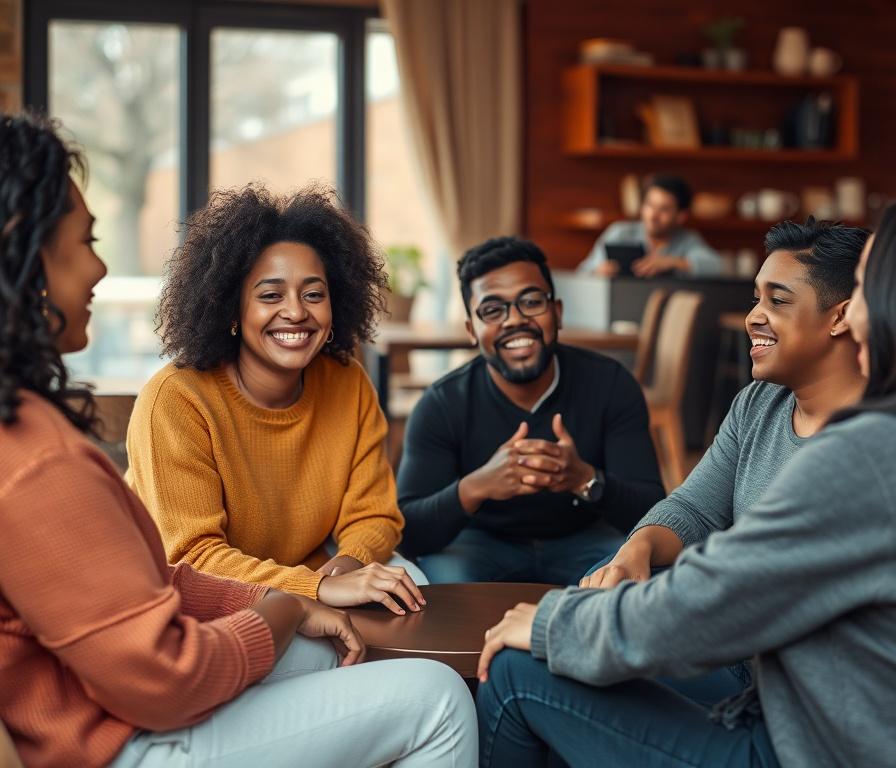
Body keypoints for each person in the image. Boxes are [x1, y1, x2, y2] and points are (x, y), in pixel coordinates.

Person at [475, 182, 896, 767]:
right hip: (868, 721)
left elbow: (705, 607)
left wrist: (552, 624)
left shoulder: (874, 459)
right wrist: (635, 552)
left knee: (519, 669)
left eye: (870, 284)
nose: (862, 306)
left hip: (817, 744)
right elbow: (702, 526)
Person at [0, 113, 476, 768]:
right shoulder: (44, 458)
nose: (102, 265)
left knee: (381, 617)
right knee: (436, 697)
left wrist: (312, 586)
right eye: (86, 240)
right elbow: (170, 653)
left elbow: (154, 582)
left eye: (314, 293)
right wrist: (286, 607)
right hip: (118, 736)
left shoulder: (31, 431)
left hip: (140, 685)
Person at [582, 217, 869, 705]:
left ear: (841, 317)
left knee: (539, 666)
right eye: (755, 299)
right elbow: (696, 508)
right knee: (593, 587)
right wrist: (637, 548)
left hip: (791, 690)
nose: (754, 316)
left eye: (777, 301)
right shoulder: (760, 403)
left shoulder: (877, 444)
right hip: (731, 646)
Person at [125, 184, 427, 617]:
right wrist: (317, 588)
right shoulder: (175, 400)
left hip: (306, 577)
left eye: (313, 293)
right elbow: (195, 557)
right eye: (270, 295)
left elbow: (374, 514)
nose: (296, 312)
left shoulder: (347, 382)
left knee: (413, 585)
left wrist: (347, 569)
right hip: (198, 603)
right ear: (231, 310)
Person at [397, 236, 664, 584]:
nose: (515, 320)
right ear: (472, 331)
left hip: (586, 539)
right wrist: (475, 487)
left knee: (640, 575)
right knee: (441, 586)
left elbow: (654, 512)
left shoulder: (611, 385)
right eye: (493, 310)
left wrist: (586, 479)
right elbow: (408, 532)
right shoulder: (443, 403)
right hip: (479, 544)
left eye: (531, 301)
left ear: (557, 312)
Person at [577, 173, 722, 278]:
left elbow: (716, 266)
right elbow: (582, 273)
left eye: (664, 209)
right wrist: (597, 272)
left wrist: (673, 262)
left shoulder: (687, 240)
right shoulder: (620, 233)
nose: (653, 215)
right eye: (650, 205)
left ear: (680, 216)